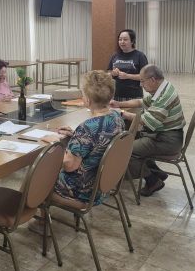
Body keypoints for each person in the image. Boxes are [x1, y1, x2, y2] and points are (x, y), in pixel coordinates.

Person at [29, 70, 125, 235]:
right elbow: (100, 142)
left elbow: (69, 166)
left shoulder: (87, 128)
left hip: (83, 191)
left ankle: (43, 222)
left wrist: (55, 143)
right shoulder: (116, 118)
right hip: (103, 184)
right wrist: (76, 136)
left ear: (86, 99)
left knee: (36, 176)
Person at [110, 64, 186, 197]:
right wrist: (118, 103)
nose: (140, 85)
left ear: (153, 80)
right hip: (166, 135)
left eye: (142, 81)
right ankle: (155, 172)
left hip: (167, 140)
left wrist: (121, 113)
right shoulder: (163, 88)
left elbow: (146, 121)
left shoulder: (165, 96)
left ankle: (152, 180)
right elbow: (140, 102)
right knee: (132, 138)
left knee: (126, 150)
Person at [108, 29, 148, 101]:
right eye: (120, 39)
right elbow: (109, 73)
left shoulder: (140, 56)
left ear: (132, 41)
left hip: (134, 95)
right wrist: (112, 73)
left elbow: (145, 76)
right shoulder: (115, 56)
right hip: (116, 94)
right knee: (119, 113)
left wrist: (127, 76)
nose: (122, 42)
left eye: (125, 39)